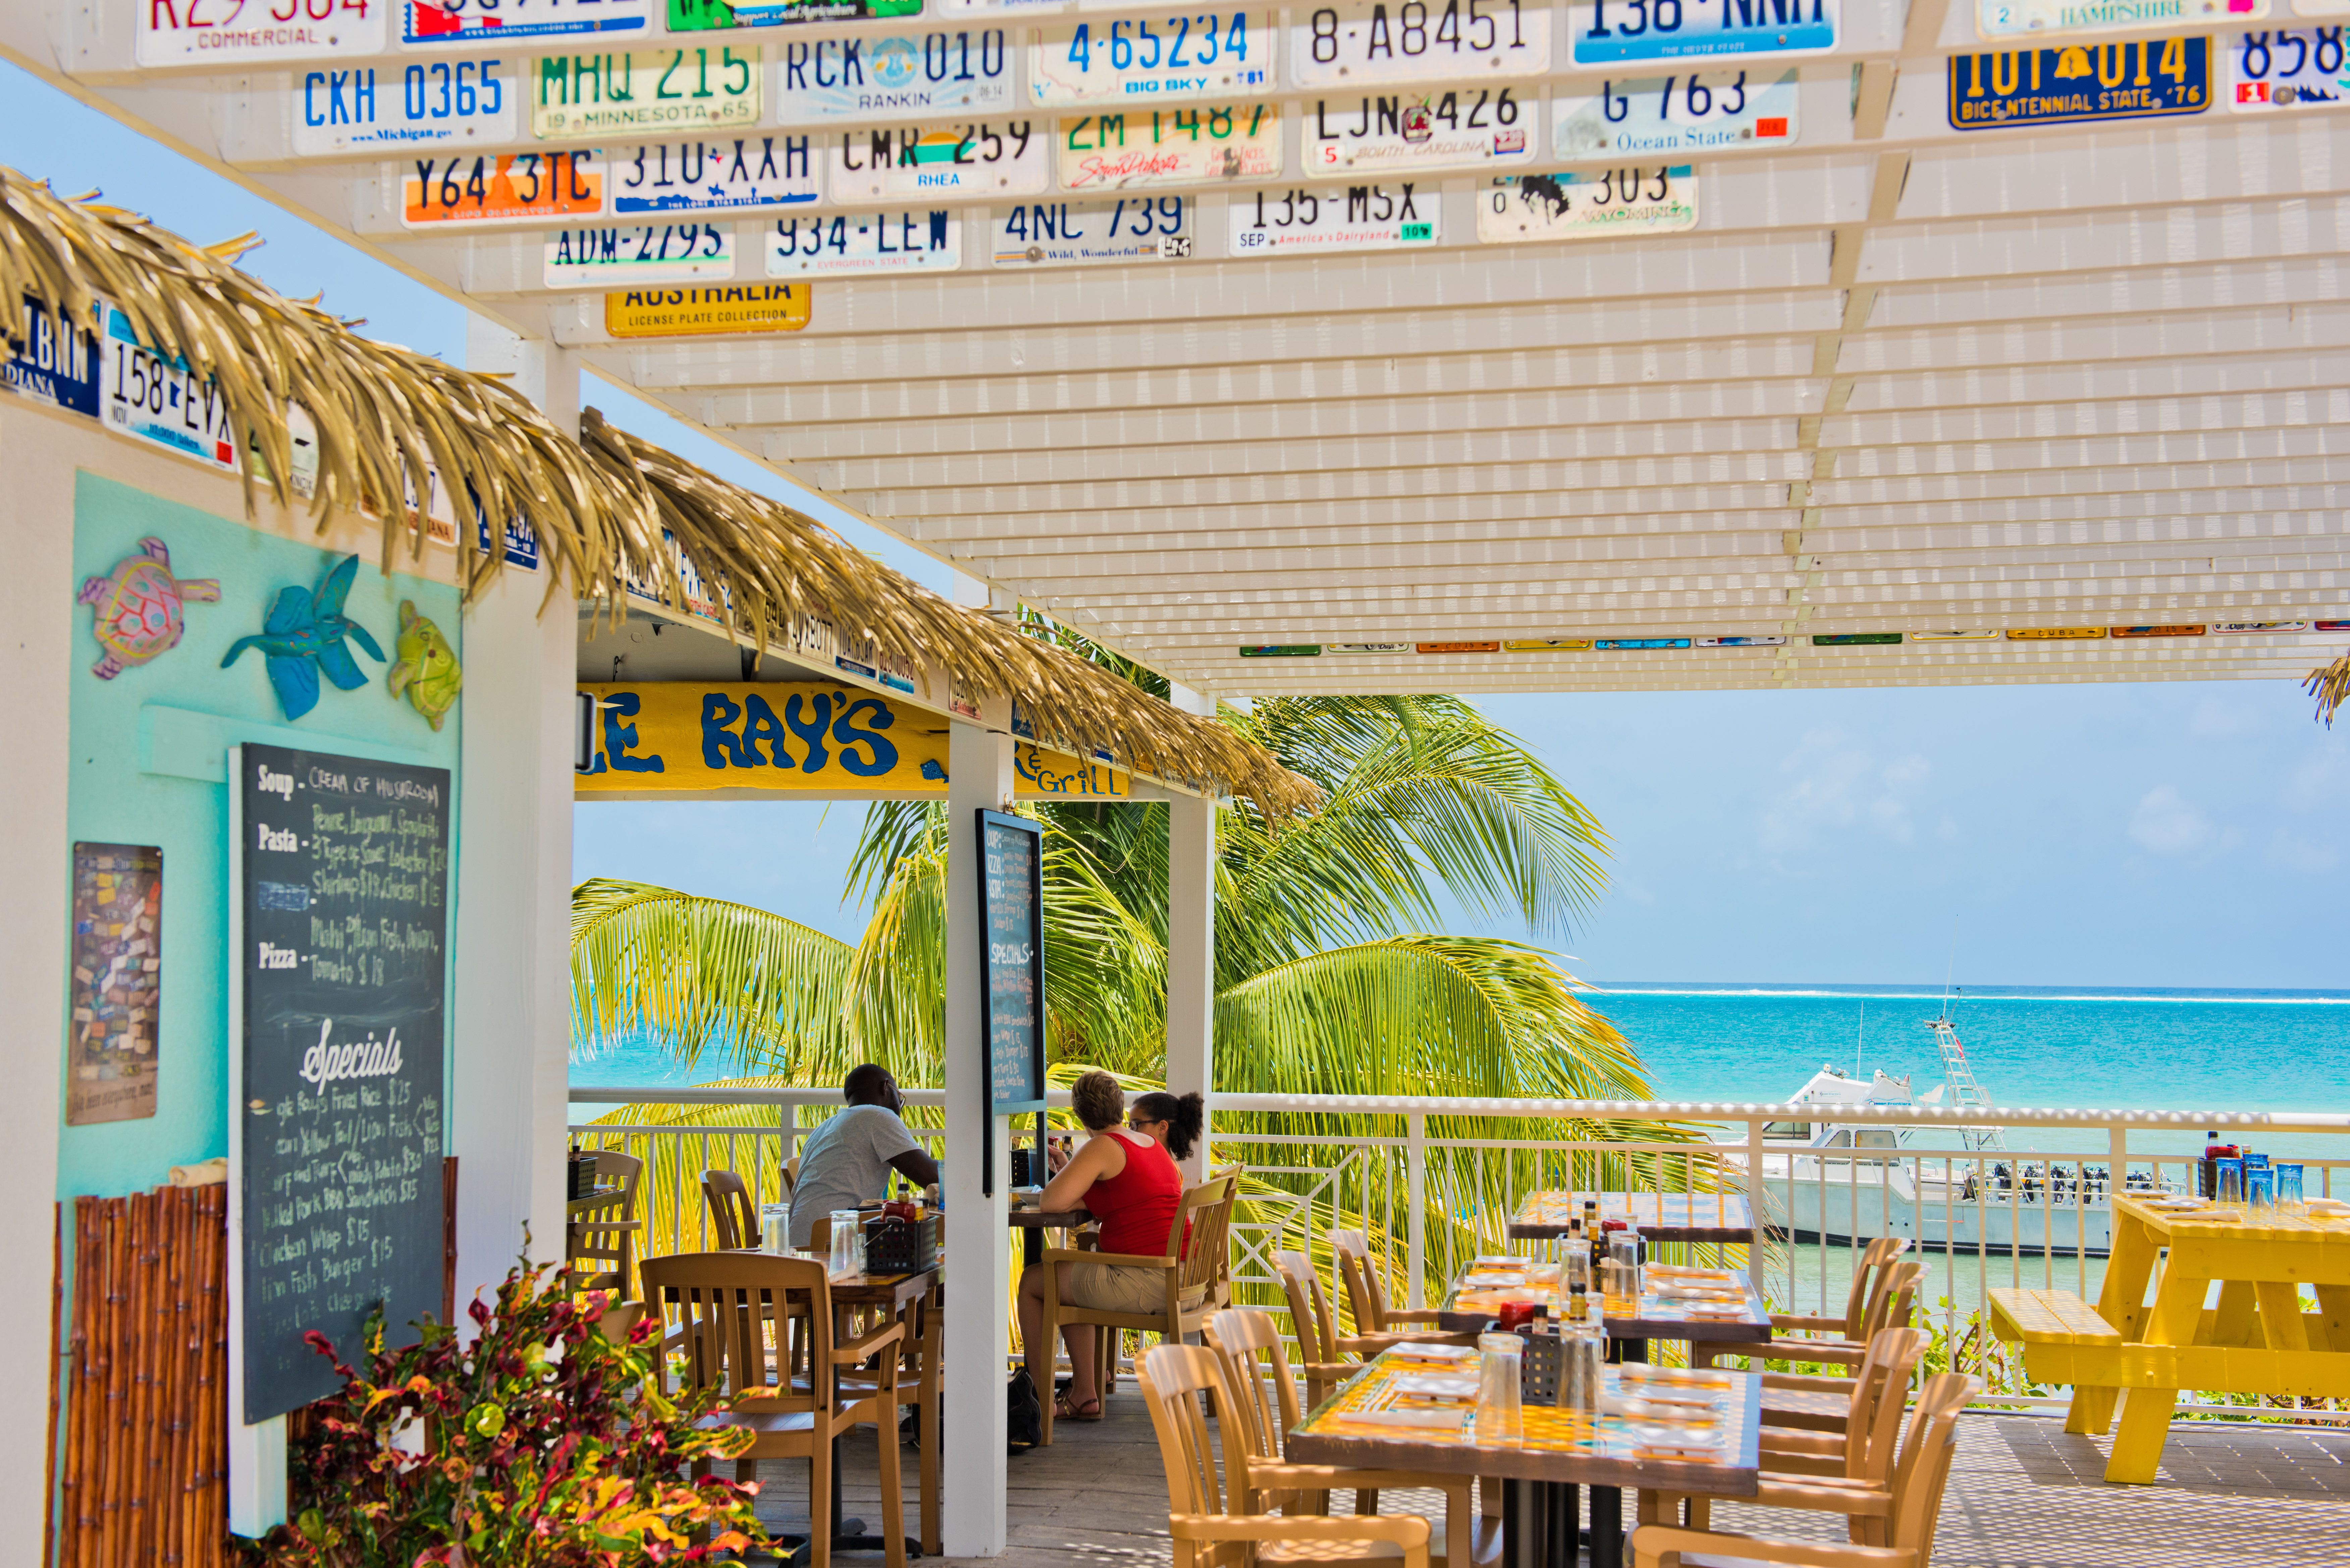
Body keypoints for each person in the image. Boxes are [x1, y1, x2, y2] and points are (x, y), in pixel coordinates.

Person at [1017, 1070, 1183, 1424]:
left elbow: (1050, 1201)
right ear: (1120, 1106)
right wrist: (1070, 1169)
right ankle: (1084, 1392)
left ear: (1080, 1114)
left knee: (1034, 1283)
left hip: (1147, 1280)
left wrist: (1065, 1175)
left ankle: (1041, 1401)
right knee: (1068, 1277)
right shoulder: (1149, 1143)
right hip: (1178, 1274)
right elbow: (1120, 1192)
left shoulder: (1102, 1146)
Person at [786, 1064, 939, 1250]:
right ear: (885, 1088)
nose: (899, 1105)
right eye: (898, 1096)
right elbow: (932, 1176)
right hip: (831, 1247)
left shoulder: (822, 1129)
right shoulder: (878, 1116)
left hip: (795, 1248)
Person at [1125, 1089, 1205, 1164]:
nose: (1130, 1130)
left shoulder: (1159, 1167)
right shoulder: (1161, 1162)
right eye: (1130, 1125)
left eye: (1135, 1124)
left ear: (1162, 1127)